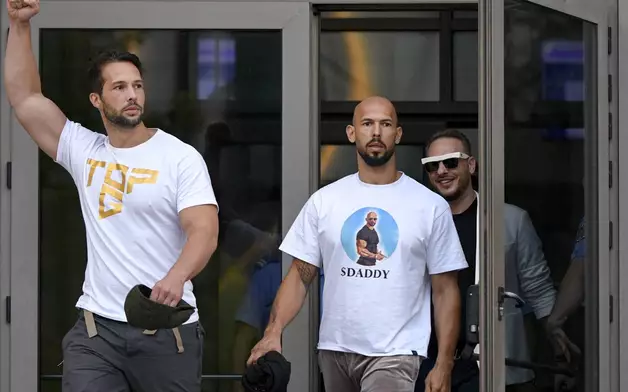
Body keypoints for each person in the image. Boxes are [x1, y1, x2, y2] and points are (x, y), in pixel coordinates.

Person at [4, 1, 219, 391]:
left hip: (166, 330)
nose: (132, 94)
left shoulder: (179, 157)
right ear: (96, 100)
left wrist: (177, 276)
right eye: (119, 87)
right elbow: (24, 99)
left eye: (137, 85)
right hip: (97, 331)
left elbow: (204, 230)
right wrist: (19, 26)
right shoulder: (85, 150)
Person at [247, 96, 468, 392]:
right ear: (352, 133)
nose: (376, 132)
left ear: (398, 135)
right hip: (335, 350)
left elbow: (445, 290)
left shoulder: (429, 206)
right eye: (367, 124)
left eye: (385, 124)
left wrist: (444, 364)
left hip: (396, 352)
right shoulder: (325, 201)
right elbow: (300, 276)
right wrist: (273, 332)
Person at [417, 129, 578, 392]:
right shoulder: (417, 223)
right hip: (428, 364)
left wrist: (559, 343)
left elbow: (538, 289)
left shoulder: (511, 220)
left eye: (451, 162)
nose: (442, 170)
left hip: (492, 363)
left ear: (471, 164)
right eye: (433, 165)